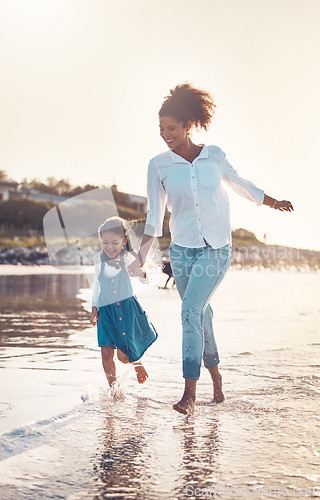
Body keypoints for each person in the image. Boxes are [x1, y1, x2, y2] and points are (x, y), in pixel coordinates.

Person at [127, 83, 294, 415]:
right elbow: (154, 217)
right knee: (200, 317)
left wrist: (272, 201)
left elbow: (239, 183)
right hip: (183, 251)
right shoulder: (157, 166)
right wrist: (140, 258)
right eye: (160, 129)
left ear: (188, 124)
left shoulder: (213, 155)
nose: (165, 135)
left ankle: (189, 395)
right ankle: (217, 381)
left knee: (189, 313)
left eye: (171, 128)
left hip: (216, 249)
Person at [90, 216, 158, 388]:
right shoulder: (99, 259)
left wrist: (141, 273)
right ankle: (113, 390)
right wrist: (93, 308)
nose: (109, 247)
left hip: (126, 310)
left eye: (114, 242)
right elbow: (97, 284)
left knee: (123, 357)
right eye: (105, 242)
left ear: (124, 241)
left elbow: (145, 280)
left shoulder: (128, 258)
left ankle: (137, 363)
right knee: (106, 352)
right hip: (105, 311)